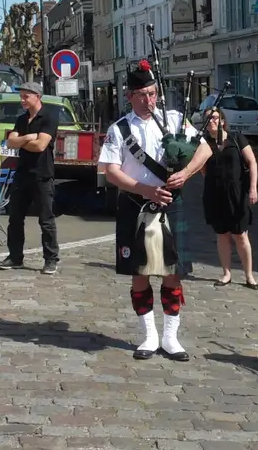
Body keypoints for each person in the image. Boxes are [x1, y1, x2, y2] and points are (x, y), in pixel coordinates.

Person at [98, 60, 212, 362]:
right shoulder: (119, 129)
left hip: (171, 206)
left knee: (173, 274)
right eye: (141, 95)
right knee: (140, 274)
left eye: (152, 93)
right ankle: (148, 336)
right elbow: (110, 171)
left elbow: (205, 149)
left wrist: (185, 173)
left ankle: (171, 337)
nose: (148, 100)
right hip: (135, 205)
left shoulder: (175, 120)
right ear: (129, 96)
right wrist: (145, 189)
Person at [0, 82, 61, 275]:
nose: (22, 100)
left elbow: (41, 146)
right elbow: (10, 141)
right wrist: (27, 138)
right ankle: (15, 257)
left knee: (46, 219)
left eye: (26, 96)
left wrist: (21, 141)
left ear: (37, 96)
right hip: (22, 173)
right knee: (15, 217)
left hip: (42, 174)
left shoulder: (49, 116)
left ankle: (51, 259)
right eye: (21, 96)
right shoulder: (21, 119)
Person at [201, 106, 258, 289]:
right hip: (215, 193)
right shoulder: (204, 144)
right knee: (222, 234)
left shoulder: (236, 138)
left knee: (240, 235)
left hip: (236, 192)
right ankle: (226, 273)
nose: (212, 120)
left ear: (223, 121)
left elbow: (252, 162)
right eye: (208, 118)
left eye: (215, 117)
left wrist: (252, 188)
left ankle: (249, 275)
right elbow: (202, 168)